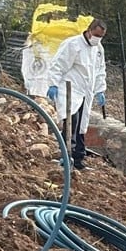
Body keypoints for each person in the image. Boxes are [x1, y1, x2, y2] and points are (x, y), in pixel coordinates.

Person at [47, 19, 108, 171]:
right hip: (70, 89)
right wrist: (53, 83)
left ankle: (79, 160)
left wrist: (100, 89)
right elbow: (58, 64)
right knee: (70, 123)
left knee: (81, 126)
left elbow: (100, 71)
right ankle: (66, 157)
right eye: (96, 35)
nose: (97, 39)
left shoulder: (98, 49)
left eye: (101, 37)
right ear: (89, 31)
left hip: (86, 91)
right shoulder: (73, 44)